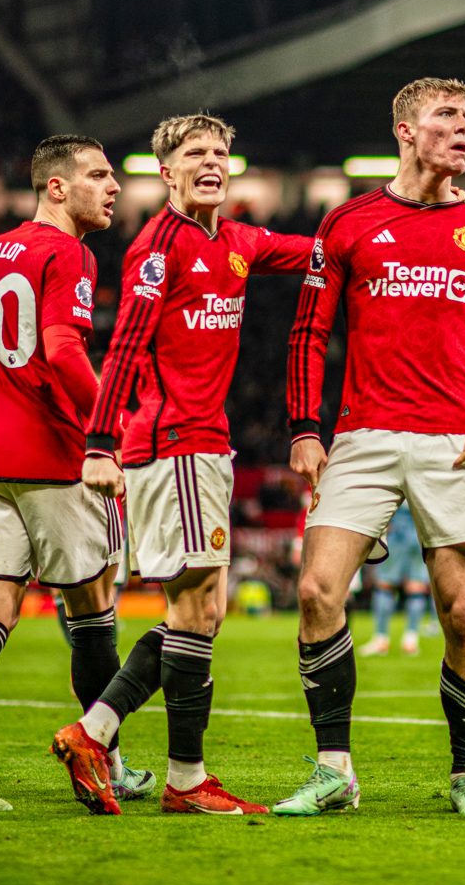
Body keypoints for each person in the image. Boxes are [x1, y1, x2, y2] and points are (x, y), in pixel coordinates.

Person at [275, 76, 465, 818]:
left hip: (453, 440)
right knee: (315, 591)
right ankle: (334, 771)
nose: (464, 129)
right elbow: (307, 333)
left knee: (462, 611)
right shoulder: (349, 221)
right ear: (404, 130)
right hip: (362, 435)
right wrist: (304, 425)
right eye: (447, 117)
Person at [66, 113, 311, 816]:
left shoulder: (235, 239)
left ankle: (170, 770)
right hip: (170, 443)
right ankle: (109, 740)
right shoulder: (157, 248)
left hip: (205, 445)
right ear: (166, 171)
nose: (212, 162)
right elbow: (121, 348)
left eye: (221, 153)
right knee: (193, 607)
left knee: (203, 609)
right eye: (195, 153)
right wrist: (99, 443)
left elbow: (319, 245)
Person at [0, 135, 145, 813]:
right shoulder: (69, 251)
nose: (112, 186)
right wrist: (110, 427)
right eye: (97, 174)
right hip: (53, 457)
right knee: (92, 608)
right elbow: (58, 349)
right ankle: (106, 759)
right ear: (57, 186)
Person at [361, 503, 430, 657]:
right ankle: (411, 640)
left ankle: (381, 639)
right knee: (416, 587)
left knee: (385, 585)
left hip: (397, 531)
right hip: (419, 532)